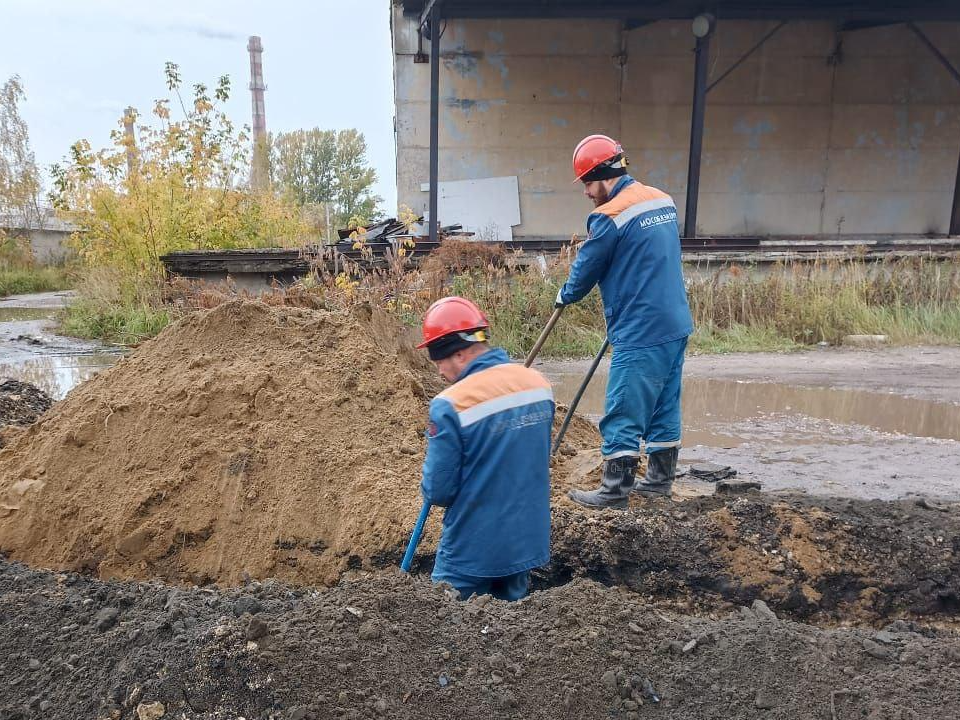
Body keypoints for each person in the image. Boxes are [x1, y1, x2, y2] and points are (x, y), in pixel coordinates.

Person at [557, 134, 693, 509]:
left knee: (623, 404)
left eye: (587, 182)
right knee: (664, 404)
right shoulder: (662, 201)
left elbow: (585, 270)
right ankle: (659, 481)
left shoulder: (609, 216)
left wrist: (564, 294)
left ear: (602, 174)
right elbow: (647, 256)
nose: (586, 191)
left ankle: (614, 490)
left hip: (641, 327)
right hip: (675, 321)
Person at [417, 296, 554, 601]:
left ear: (461, 354)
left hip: (472, 550)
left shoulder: (450, 404)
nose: (439, 371)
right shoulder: (539, 385)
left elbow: (439, 491)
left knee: (439, 623)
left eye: (439, 361)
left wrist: (427, 483)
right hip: (527, 541)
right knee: (512, 628)